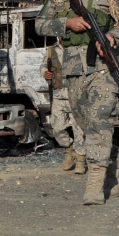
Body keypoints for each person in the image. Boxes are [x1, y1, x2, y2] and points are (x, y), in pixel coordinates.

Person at [35, 0, 119, 205]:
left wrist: (113, 37)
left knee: (100, 120)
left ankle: (94, 183)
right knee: (85, 125)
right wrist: (67, 23)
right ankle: (115, 174)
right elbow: (40, 25)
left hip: (104, 66)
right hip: (73, 68)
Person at [44, 46, 87, 174]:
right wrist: (45, 73)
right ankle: (69, 150)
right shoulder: (52, 50)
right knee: (57, 127)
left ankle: (80, 160)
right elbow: (44, 67)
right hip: (59, 96)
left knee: (79, 131)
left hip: (76, 97)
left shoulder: (79, 47)